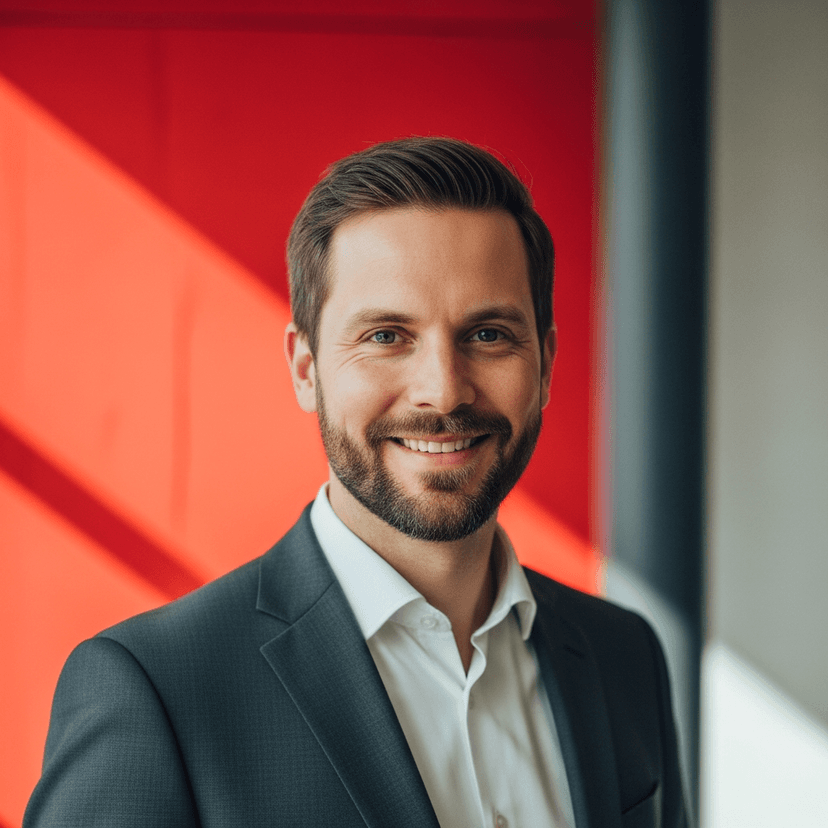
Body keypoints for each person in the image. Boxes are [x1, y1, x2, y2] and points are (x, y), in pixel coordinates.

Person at [25, 137, 688, 828]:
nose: (441, 390)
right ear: (306, 367)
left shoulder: (624, 657)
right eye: (386, 336)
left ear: (545, 365)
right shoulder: (155, 690)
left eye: (488, 334)